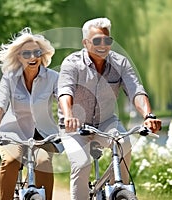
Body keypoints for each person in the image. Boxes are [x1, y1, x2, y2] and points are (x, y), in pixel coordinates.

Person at [58, 17, 162, 199]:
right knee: (81, 164)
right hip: (74, 125)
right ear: (85, 43)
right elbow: (65, 91)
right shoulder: (72, 63)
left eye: (107, 40)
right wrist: (68, 116)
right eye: (97, 41)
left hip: (106, 121)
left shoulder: (120, 63)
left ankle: (116, 192)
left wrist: (148, 115)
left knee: (124, 144)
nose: (103, 45)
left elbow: (135, 90)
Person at [0, 27, 63, 200]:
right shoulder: (9, 77)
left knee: (43, 163)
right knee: (11, 161)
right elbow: (0, 105)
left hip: (43, 135)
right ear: (18, 57)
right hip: (12, 133)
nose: (32, 57)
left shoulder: (53, 77)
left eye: (36, 52)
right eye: (26, 54)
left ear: (42, 55)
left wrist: (68, 120)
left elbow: (63, 101)